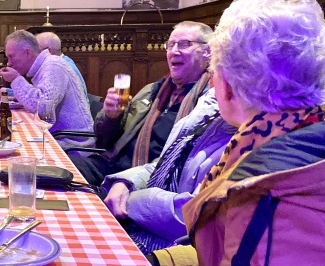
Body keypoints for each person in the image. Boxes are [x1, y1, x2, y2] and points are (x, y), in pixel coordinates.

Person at [150, 0, 325, 266]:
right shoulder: (297, 136)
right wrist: (155, 262)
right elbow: (234, 255)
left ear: (228, 87)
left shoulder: (277, 190)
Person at [70, 21, 213, 186]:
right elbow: (104, 141)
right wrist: (111, 117)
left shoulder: (207, 102)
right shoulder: (153, 90)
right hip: (110, 164)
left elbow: (182, 163)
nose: (174, 51)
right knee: (57, 169)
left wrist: (128, 181)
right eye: (170, 44)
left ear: (207, 52)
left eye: (184, 44)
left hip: (145, 181)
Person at [101, 89, 235, 254]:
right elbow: (164, 164)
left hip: (177, 250)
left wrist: (133, 201)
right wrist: (125, 182)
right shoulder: (156, 90)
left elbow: (197, 218)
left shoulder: (252, 137)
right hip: (122, 172)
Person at [0, 30, 95, 151]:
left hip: (74, 145)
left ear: (27, 53)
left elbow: (43, 108)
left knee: (19, 154)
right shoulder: (45, 65)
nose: (9, 63)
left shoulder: (53, 65)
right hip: (57, 138)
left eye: (11, 57)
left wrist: (16, 79)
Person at [36, 32, 89, 102]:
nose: (36, 55)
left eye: (38, 51)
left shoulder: (60, 67)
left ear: (49, 51)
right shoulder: (61, 62)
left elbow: (45, 103)